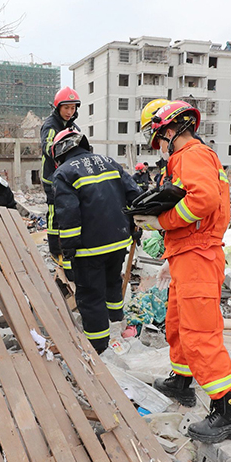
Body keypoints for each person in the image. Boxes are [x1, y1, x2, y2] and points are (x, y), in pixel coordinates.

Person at [133, 101, 231, 444]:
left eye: (158, 138)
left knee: (200, 334)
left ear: (170, 130)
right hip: (188, 252)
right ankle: (181, 382)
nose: (158, 147)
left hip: (197, 252)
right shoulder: (193, 157)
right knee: (178, 324)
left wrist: (160, 220)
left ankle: (229, 413)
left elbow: (202, 201)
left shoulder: (190, 156)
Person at [52, 130, 140, 353]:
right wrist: (135, 226)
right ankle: (116, 322)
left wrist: (68, 252)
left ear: (59, 154)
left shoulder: (64, 173)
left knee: (91, 297)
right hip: (119, 241)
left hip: (89, 249)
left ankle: (99, 346)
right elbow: (135, 195)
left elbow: (68, 214)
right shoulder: (109, 162)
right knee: (112, 283)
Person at [40, 86, 81, 263]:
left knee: (69, 210)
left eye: (73, 108)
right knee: (53, 213)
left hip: (68, 177)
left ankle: (68, 246)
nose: (70, 112)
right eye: (66, 108)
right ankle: (54, 250)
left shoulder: (73, 126)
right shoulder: (50, 125)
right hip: (52, 177)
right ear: (58, 107)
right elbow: (49, 147)